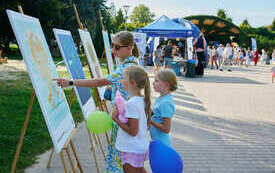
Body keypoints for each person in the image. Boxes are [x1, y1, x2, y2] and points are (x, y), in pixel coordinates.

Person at [54, 31, 139, 173]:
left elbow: (99, 82)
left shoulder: (126, 68)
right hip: (131, 119)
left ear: (129, 47)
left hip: (124, 121)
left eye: (118, 47)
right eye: (113, 46)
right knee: (129, 161)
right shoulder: (134, 63)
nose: (113, 50)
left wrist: (70, 82)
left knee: (119, 162)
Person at [112, 65, 151, 173]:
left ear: (132, 83)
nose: (122, 81)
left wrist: (116, 120)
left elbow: (133, 131)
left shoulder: (132, 103)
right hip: (137, 147)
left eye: (124, 78)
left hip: (131, 148)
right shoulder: (142, 100)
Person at [150, 69, 177, 146]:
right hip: (157, 141)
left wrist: (150, 121)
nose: (153, 83)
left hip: (162, 143)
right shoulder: (161, 98)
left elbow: (166, 129)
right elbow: (158, 116)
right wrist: (150, 112)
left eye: (156, 81)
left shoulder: (165, 103)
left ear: (166, 84)